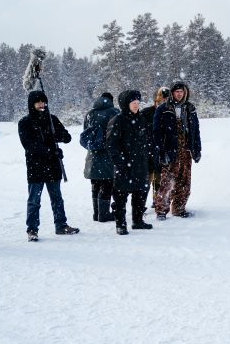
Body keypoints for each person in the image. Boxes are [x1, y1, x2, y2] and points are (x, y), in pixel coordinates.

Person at [18, 90, 79, 241]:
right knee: (34, 200)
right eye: (38, 102)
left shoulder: (52, 119)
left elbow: (67, 137)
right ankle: (32, 230)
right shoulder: (25, 123)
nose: (41, 104)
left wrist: (58, 136)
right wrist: (52, 150)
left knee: (57, 198)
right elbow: (29, 146)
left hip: (53, 166)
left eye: (43, 102)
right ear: (32, 104)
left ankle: (61, 225)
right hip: (36, 167)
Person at [153, 81, 202, 220]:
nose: (179, 94)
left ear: (185, 93)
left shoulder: (190, 108)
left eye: (181, 91)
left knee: (185, 181)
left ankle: (179, 209)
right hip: (170, 150)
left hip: (186, 150)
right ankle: (161, 210)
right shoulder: (163, 108)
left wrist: (197, 150)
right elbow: (156, 132)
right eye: (177, 92)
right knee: (167, 182)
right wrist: (161, 152)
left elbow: (195, 132)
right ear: (172, 93)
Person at [106, 90, 153, 234]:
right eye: (133, 103)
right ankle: (120, 224)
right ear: (126, 104)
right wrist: (120, 162)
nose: (136, 105)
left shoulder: (141, 119)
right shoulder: (117, 120)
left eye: (138, 103)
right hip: (125, 165)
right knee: (120, 197)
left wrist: (149, 156)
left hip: (140, 164)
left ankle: (137, 221)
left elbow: (147, 141)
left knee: (140, 193)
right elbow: (111, 145)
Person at [83, 92, 120, 223]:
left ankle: (96, 213)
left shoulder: (90, 114)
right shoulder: (114, 112)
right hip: (107, 154)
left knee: (95, 183)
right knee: (107, 183)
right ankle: (104, 215)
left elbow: (86, 134)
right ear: (111, 100)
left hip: (92, 155)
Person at [141, 87, 170, 206]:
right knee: (145, 181)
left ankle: (158, 202)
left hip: (161, 151)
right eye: (161, 99)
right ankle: (140, 205)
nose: (163, 102)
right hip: (147, 151)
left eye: (166, 100)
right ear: (156, 100)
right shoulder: (146, 113)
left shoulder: (169, 113)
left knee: (160, 180)